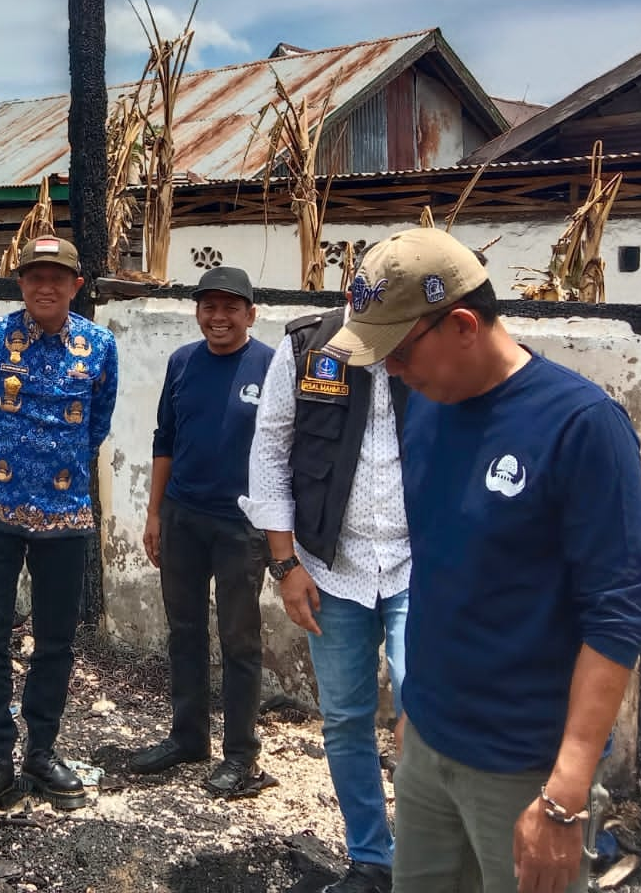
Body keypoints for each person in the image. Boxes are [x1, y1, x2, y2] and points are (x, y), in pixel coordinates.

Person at [322, 227, 641, 893]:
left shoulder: (581, 426)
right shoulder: (428, 410)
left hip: (526, 771)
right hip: (430, 747)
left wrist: (565, 794)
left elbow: (614, 619)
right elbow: (443, 566)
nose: (390, 371)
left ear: (464, 325)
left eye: (399, 352)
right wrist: (415, 709)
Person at [240, 277, 413, 893]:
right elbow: (270, 450)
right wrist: (286, 566)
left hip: (419, 568)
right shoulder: (308, 346)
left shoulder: (426, 338)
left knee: (427, 713)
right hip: (328, 568)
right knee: (344, 719)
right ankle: (371, 859)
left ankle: (429, 862)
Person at [0, 235, 119, 830]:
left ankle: (41, 754)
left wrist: (56, 470)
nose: (44, 286)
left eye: (57, 277)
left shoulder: (99, 346)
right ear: (20, 282)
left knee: (55, 643)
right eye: (33, 276)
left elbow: (97, 423)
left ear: (77, 285)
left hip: (65, 517)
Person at [129, 266, 276, 797]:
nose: (218, 317)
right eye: (209, 307)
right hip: (182, 518)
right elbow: (163, 438)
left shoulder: (271, 366)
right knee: (184, 631)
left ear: (250, 314)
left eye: (230, 308)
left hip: (242, 526)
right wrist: (154, 514)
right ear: (198, 313)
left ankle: (242, 756)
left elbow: (285, 451)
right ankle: (188, 737)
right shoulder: (182, 363)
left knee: (239, 641)